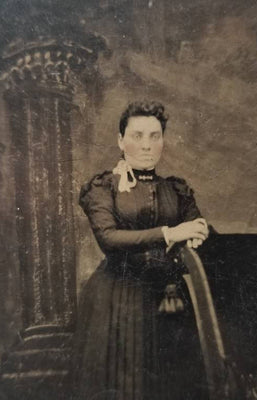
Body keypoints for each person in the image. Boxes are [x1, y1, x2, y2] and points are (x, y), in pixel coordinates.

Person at [73, 101, 211, 400]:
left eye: (155, 135)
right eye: (137, 136)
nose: (147, 145)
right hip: (117, 301)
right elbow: (109, 239)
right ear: (121, 140)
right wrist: (170, 233)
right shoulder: (104, 187)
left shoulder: (177, 190)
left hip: (171, 300)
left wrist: (199, 233)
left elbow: (196, 227)